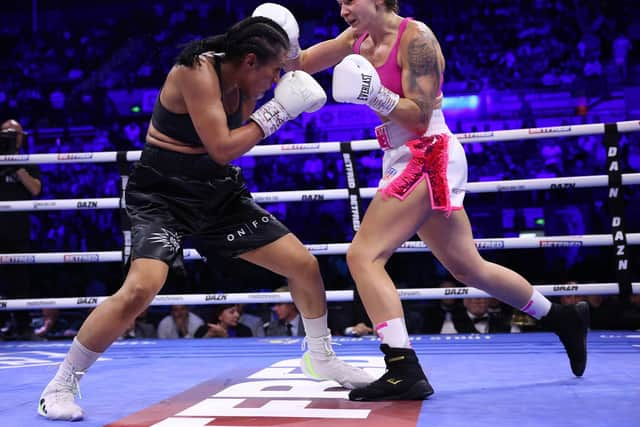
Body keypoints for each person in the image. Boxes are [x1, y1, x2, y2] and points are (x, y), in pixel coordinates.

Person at [38, 16, 373, 421]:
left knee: (303, 265)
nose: (278, 80)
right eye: (273, 73)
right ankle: (61, 382)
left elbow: (305, 62)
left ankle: (320, 357)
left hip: (218, 194)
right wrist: (277, 112)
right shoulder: (196, 71)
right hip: (164, 195)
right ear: (250, 61)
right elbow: (222, 147)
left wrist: (359, 32)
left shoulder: (250, 70)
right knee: (141, 288)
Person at [254, 1, 590, 401]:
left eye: (349, 0)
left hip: (428, 153)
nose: (342, 9)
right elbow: (301, 63)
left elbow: (418, 116)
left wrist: (374, 94)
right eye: (339, 2)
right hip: (401, 155)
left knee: (363, 256)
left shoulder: (417, 39)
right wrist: (282, 42)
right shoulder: (356, 39)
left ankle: (402, 367)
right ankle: (564, 318)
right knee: (468, 267)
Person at [0, 119, 42, 340]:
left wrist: (17, 166)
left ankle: (23, 325)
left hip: (18, 230)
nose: (11, 137)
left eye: (15, 133)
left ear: (22, 137)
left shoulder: (28, 160)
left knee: (20, 282)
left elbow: (35, 189)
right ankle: (4, 325)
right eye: (7, 133)